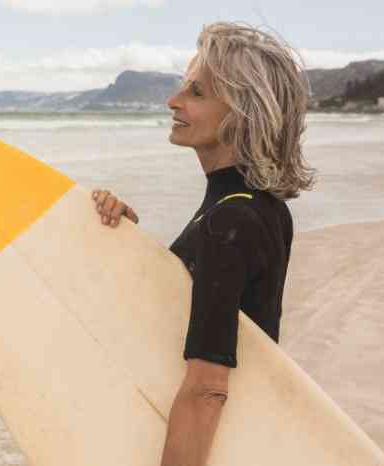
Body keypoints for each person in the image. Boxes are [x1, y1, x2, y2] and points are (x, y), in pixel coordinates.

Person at [91, 21, 316, 466]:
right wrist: (129, 248)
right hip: (241, 442)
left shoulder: (230, 219)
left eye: (196, 93)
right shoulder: (262, 209)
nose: (173, 102)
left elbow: (207, 389)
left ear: (242, 112)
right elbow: (210, 305)